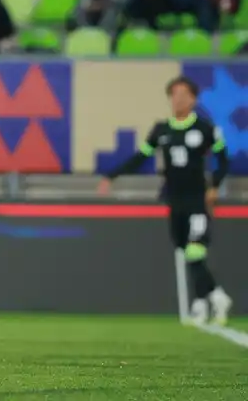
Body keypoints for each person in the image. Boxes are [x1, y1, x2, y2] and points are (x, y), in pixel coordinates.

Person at [99, 77, 232, 325]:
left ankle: (207, 301)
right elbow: (141, 157)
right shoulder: (162, 130)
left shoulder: (205, 128)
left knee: (195, 250)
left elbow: (223, 158)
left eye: (183, 94)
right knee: (185, 250)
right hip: (175, 201)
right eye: (174, 94)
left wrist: (214, 185)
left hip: (197, 201)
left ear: (193, 99)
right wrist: (112, 175)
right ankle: (211, 298)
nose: (178, 99)